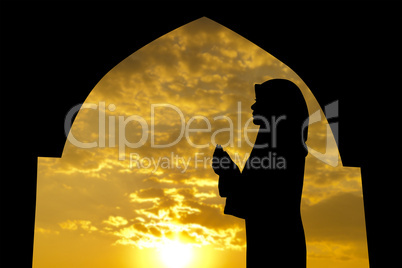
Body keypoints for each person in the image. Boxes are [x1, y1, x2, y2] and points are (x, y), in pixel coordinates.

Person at [212, 79, 309, 268]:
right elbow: (254, 193)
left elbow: (261, 198)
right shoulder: (274, 144)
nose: (253, 105)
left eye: (260, 100)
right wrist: (229, 170)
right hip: (269, 240)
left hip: (277, 244)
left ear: (277, 105)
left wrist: (228, 170)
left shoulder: (281, 147)